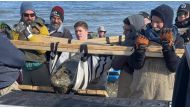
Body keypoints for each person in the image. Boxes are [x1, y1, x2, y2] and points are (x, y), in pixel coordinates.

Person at [113, 4, 183, 101]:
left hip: (165, 91)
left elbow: (174, 67)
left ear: (166, 22)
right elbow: (135, 64)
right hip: (141, 88)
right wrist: (140, 50)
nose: (154, 25)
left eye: (158, 22)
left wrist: (167, 47)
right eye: (152, 21)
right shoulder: (141, 36)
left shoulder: (177, 40)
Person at [51, 21, 112, 93]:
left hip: (96, 82)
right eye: (76, 31)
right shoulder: (72, 45)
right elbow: (61, 60)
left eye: (80, 31)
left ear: (86, 31)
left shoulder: (96, 43)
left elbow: (105, 61)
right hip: (79, 82)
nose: (78, 33)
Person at [14, 2, 51, 86]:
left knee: (44, 95)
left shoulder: (42, 28)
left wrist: (29, 35)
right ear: (21, 15)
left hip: (39, 66)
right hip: (24, 68)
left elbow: (43, 50)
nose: (29, 17)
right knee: (24, 96)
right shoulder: (18, 27)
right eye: (26, 15)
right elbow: (14, 48)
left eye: (32, 15)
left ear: (35, 15)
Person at [112, 14, 145, 98]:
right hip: (143, 79)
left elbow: (116, 65)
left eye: (127, 30)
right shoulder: (146, 39)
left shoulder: (128, 42)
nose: (124, 32)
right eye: (124, 29)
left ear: (134, 29)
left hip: (128, 77)